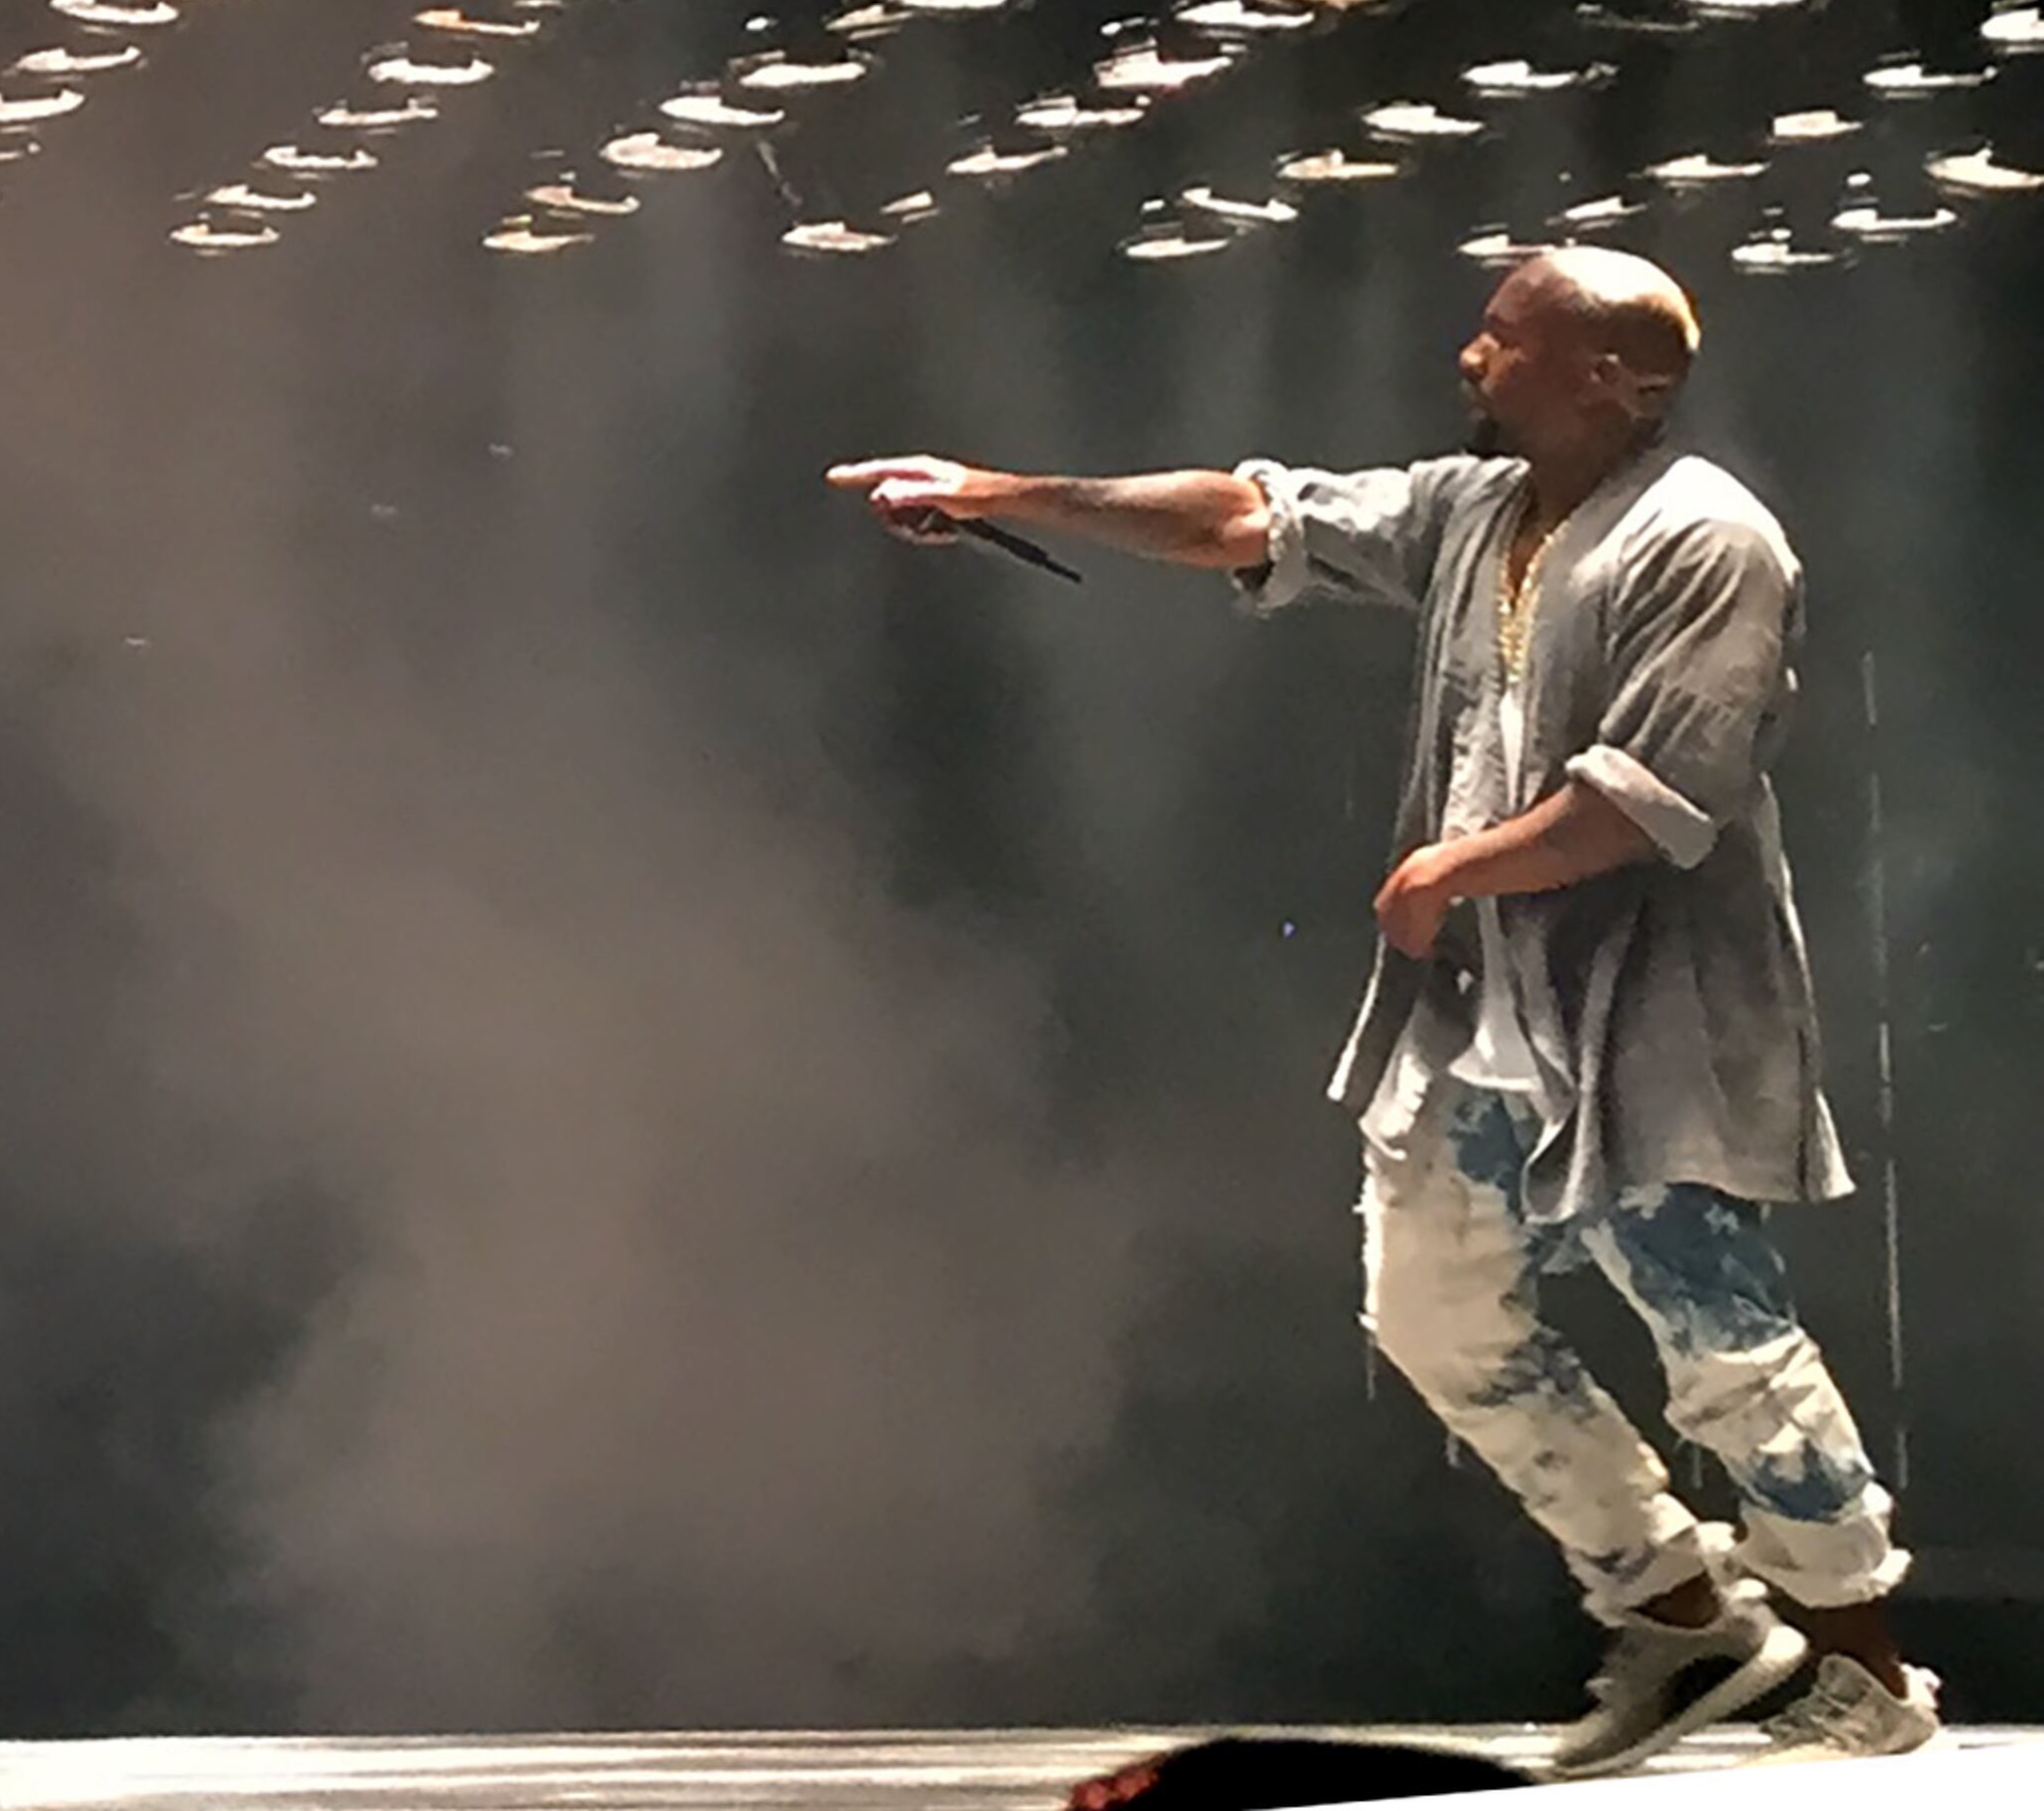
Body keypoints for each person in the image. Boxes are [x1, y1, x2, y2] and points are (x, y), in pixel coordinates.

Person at [828, 248, 1933, 1776]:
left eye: (1505, 340)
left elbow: (1659, 797)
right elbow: (1249, 517)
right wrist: (1004, 492)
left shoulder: (1708, 539)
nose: (1470, 361)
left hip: (1640, 1014)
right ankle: (1691, 1619)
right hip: (1487, 1013)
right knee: (1432, 1307)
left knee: (1716, 1332)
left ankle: (1868, 1672)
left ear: (1626, 378)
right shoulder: (1479, 511)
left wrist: (1448, 871)